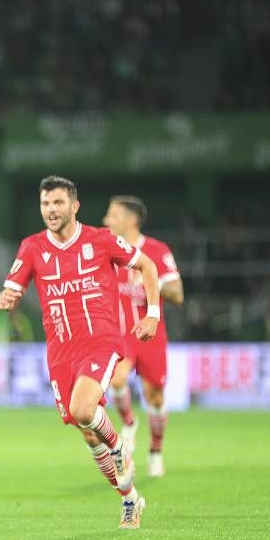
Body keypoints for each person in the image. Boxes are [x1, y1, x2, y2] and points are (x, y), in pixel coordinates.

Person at [0, 176, 161, 529]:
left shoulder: (101, 240)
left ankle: (119, 448)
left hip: (100, 341)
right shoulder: (31, 247)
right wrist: (8, 298)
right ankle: (130, 499)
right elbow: (12, 286)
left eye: (57, 203)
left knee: (84, 409)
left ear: (74, 206)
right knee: (88, 432)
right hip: (60, 353)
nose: (51, 210)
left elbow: (147, 265)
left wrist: (152, 313)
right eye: (45, 204)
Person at [103, 196, 183, 477]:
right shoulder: (107, 250)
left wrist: (151, 281)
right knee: (116, 378)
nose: (106, 221)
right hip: (120, 334)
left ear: (131, 220)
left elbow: (177, 294)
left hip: (151, 335)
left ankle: (156, 450)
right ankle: (129, 422)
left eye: (113, 215)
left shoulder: (157, 251)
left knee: (156, 397)